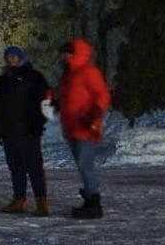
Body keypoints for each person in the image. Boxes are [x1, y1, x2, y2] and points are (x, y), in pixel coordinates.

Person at [55, 38, 111, 219]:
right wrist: (56, 103)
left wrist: (94, 114)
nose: (62, 56)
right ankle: (89, 199)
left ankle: (94, 202)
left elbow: (102, 94)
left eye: (66, 52)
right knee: (82, 165)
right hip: (72, 126)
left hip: (85, 125)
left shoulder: (88, 71)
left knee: (85, 165)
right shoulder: (67, 74)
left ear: (75, 53)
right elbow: (69, 98)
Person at [0, 45, 51, 216]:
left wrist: (39, 122)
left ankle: (41, 201)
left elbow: (46, 102)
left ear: (21, 57)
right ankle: (19, 200)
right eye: (8, 56)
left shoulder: (34, 77)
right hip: (9, 131)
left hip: (29, 131)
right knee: (15, 167)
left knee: (34, 167)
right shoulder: (3, 80)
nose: (11, 59)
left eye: (14, 56)